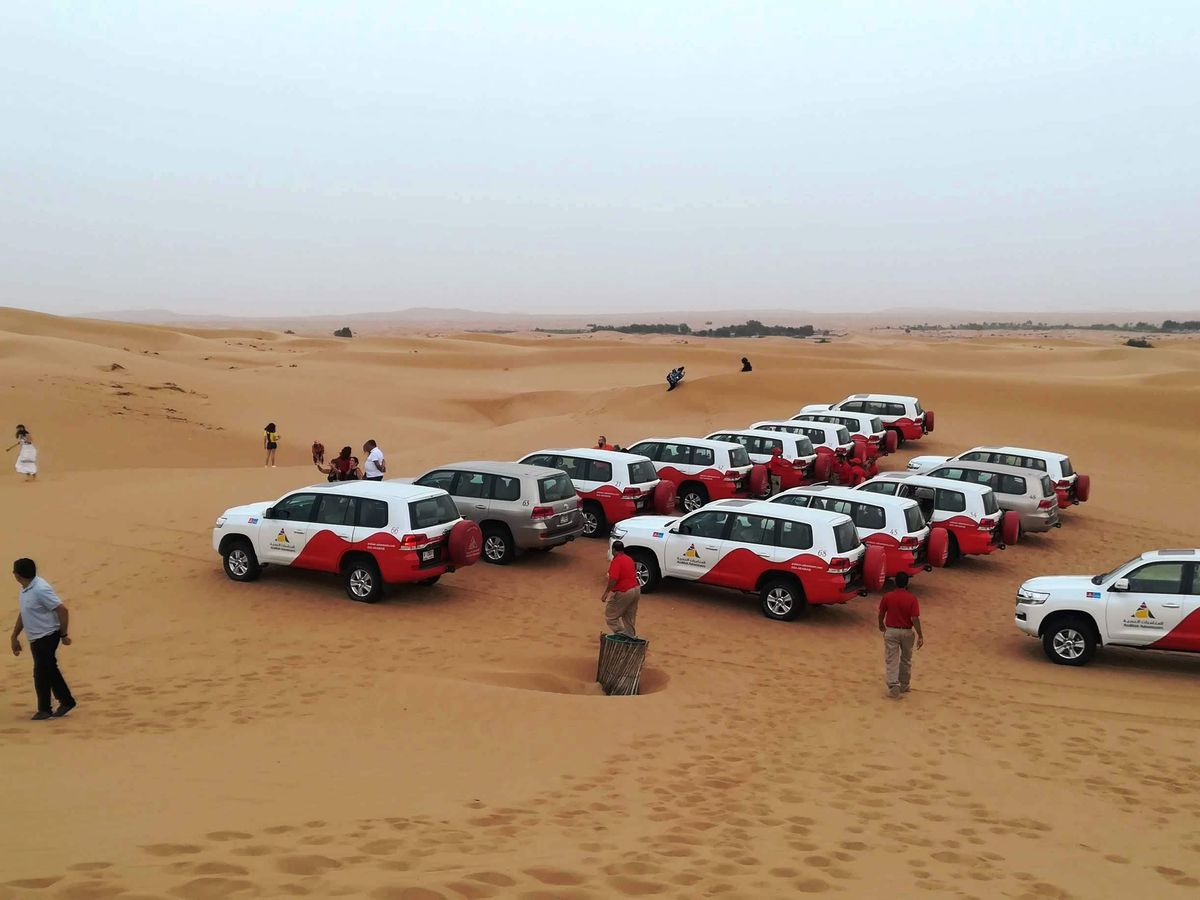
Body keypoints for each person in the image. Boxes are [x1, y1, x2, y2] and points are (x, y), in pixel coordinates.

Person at [10, 558, 76, 720]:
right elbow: (24, 612)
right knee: (46, 670)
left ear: (18, 575)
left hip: (48, 636)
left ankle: (51, 707)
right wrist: (14, 635)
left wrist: (63, 635)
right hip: (36, 638)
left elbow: (62, 610)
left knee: (42, 671)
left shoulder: (40, 589)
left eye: (14, 571)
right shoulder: (25, 588)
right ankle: (57, 704)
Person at [878, 572, 924, 698]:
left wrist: (881, 624)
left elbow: (881, 613)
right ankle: (904, 684)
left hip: (892, 631)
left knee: (892, 658)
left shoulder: (888, 596)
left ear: (895, 583)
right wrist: (920, 635)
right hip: (907, 631)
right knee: (906, 659)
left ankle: (894, 685)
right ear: (906, 583)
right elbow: (914, 618)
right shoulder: (912, 599)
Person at [600, 542, 640, 638]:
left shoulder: (617, 561)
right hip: (636, 589)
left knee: (610, 616)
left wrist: (606, 592)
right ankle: (630, 636)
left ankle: (621, 634)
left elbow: (613, 578)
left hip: (625, 591)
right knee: (628, 616)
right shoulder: (629, 559)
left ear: (614, 550)